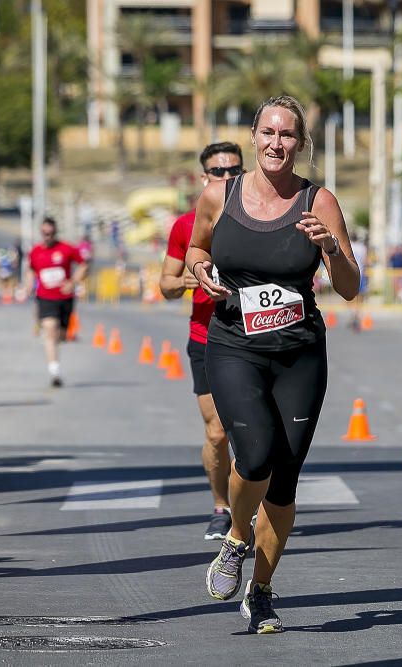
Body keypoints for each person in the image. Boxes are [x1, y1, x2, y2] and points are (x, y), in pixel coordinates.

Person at [186, 95, 359, 634]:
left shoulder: (319, 201)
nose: (276, 144)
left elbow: (351, 288)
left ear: (301, 144)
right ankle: (238, 537)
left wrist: (330, 246)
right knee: (255, 453)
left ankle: (259, 589)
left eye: (287, 135)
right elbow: (195, 250)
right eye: (268, 133)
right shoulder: (219, 194)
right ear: (253, 137)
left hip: (299, 352)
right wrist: (202, 269)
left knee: (283, 481)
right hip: (234, 342)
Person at [160, 141, 245, 541]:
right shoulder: (185, 225)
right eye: (218, 172)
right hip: (206, 335)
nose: (227, 178)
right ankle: (221, 507)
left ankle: (254, 501)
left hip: (253, 335)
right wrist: (186, 280)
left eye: (234, 171)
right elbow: (165, 284)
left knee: (255, 429)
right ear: (204, 177)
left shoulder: (261, 216)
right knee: (216, 433)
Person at [28, 217, 88, 387]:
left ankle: (54, 340)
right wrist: (27, 286)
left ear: (55, 232)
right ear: (41, 233)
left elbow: (83, 265)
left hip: (65, 299)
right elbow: (30, 270)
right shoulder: (35, 251)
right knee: (49, 330)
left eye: (51, 233)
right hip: (45, 298)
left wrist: (73, 282)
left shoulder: (67, 248)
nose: (47, 236)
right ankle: (54, 371)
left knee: (61, 336)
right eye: (45, 233)